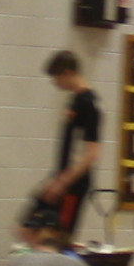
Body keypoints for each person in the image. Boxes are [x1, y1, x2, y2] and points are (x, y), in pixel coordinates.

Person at [31, 50, 104, 235]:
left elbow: (92, 153)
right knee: (29, 229)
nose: (55, 83)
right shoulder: (75, 100)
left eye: (56, 78)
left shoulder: (89, 104)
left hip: (74, 184)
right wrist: (56, 178)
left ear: (68, 73)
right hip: (62, 178)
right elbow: (70, 148)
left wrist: (63, 182)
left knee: (58, 238)